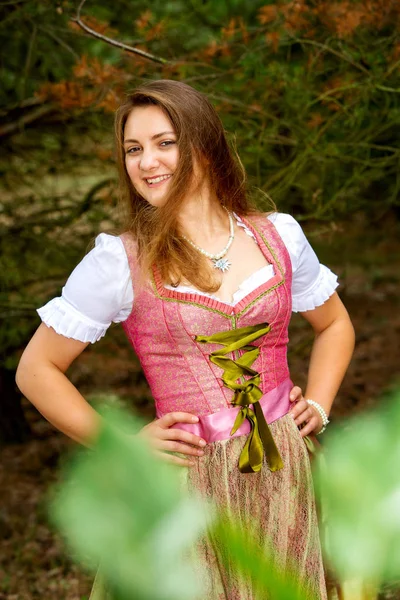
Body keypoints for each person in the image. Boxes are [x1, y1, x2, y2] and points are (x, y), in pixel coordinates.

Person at [16, 79, 355, 600]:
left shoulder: (279, 236)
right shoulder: (118, 262)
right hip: (190, 483)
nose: (146, 161)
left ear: (204, 144)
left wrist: (320, 404)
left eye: (164, 142)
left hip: (286, 467)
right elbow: (36, 370)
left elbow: (334, 325)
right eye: (133, 149)